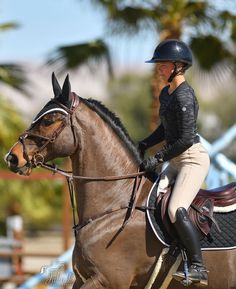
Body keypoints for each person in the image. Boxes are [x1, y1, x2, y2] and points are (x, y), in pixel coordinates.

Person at [139, 39, 210, 286]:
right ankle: (171, 248)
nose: (158, 68)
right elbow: (165, 129)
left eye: (162, 64)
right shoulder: (166, 93)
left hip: (192, 160)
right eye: (159, 64)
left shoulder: (185, 96)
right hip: (177, 159)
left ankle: (199, 266)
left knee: (174, 208)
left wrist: (157, 158)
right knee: (150, 198)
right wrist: (144, 143)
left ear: (178, 66)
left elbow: (186, 139)